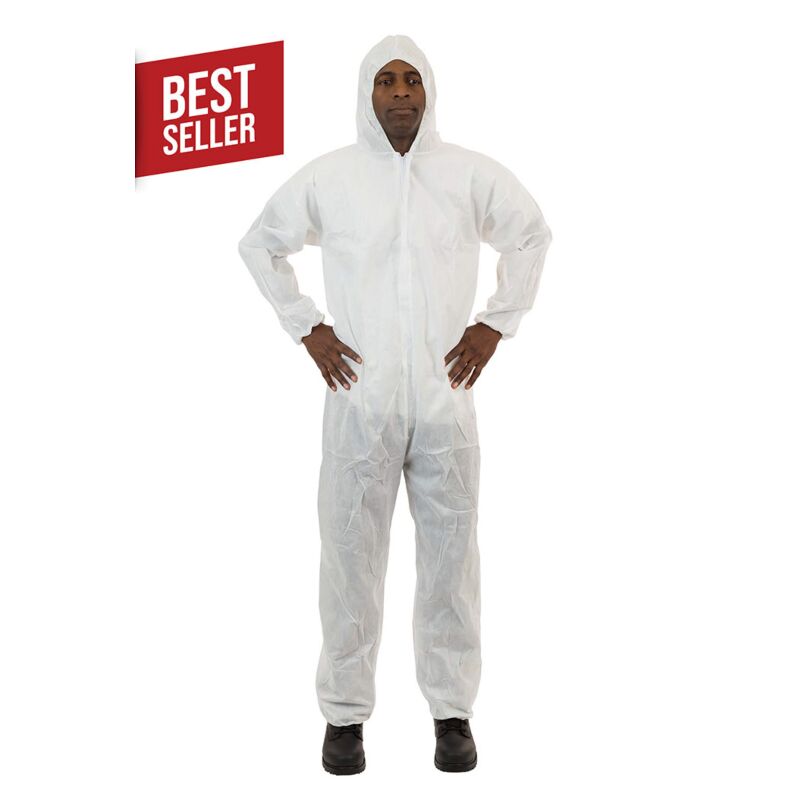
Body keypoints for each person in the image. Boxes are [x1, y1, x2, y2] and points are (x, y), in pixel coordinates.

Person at [237, 34, 552, 775]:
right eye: (387, 80)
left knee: (451, 563)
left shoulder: (468, 174)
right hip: (360, 405)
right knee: (350, 562)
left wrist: (496, 321)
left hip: (446, 405)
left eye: (412, 79)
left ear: (429, 90)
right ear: (366, 93)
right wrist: (307, 326)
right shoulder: (333, 177)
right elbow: (260, 244)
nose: (402, 92)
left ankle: (451, 712)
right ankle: (344, 717)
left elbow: (532, 235)